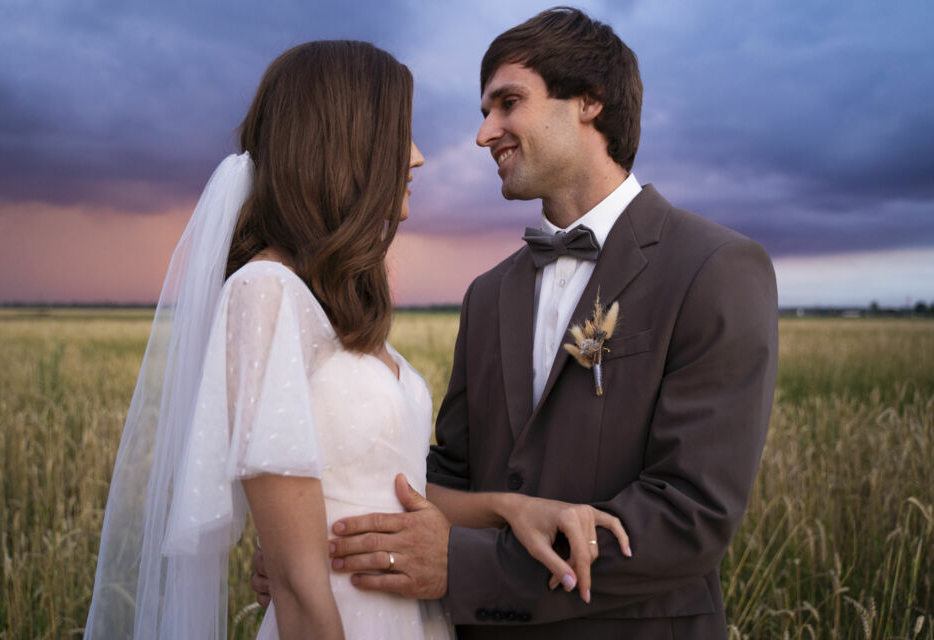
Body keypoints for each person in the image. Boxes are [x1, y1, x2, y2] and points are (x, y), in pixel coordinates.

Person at [85, 39, 629, 640]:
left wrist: (510, 509)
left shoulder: (335, 307)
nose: (417, 157)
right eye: (400, 134)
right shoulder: (263, 292)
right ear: (343, 142)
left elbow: (393, 493)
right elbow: (296, 587)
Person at [276, 8, 779, 639]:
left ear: (590, 101)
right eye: (484, 111)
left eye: (507, 103)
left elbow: (690, 516)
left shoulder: (716, 267)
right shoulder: (487, 295)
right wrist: (323, 547)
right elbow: (449, 474)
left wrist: (463, 568)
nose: (485, 133)